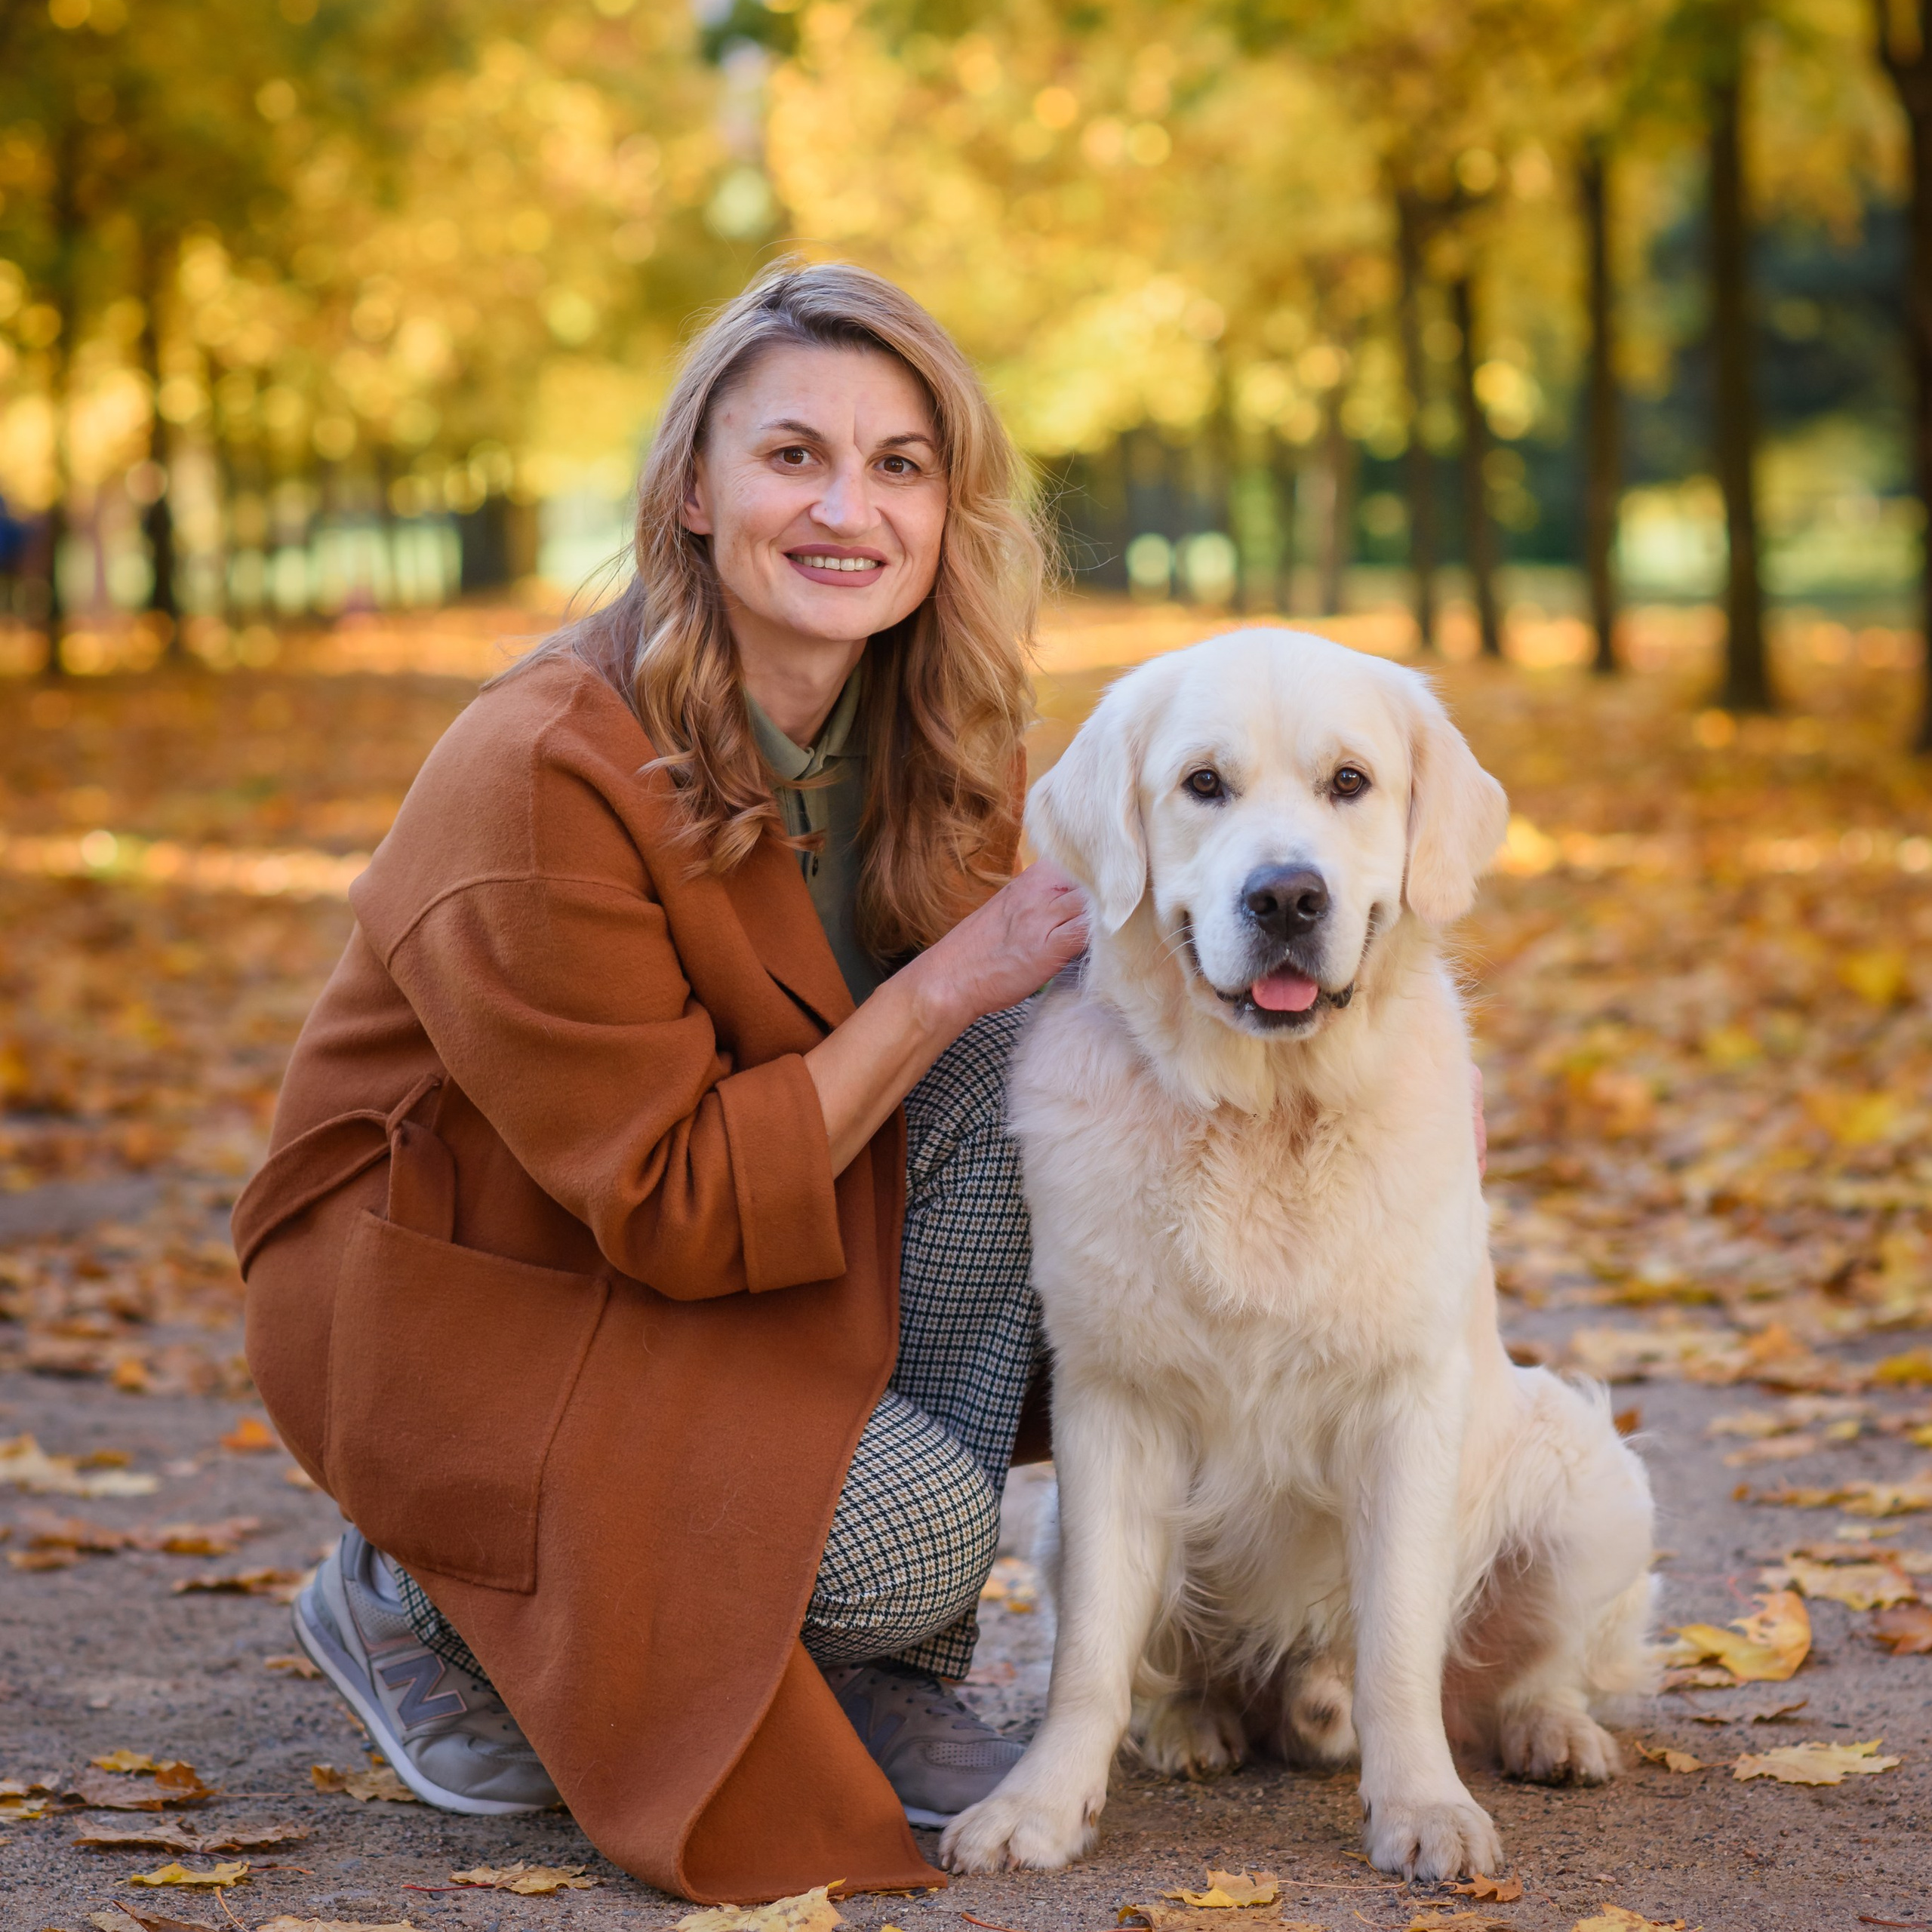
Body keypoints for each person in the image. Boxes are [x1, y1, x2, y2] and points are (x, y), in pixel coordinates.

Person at [233, 263, 1086, 1903]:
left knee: (1030, 1060)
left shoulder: (941, 730)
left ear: (948, 504)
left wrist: (1345, 1079)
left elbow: (1021, 1022)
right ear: (694, 488)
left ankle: (888, 1661)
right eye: (793, 457)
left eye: (898, 463)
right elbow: (679, 1199)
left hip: (737, 1241)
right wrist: (942, 985)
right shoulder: (545, 761)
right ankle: (419, 1587)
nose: (849, 508)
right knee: (910, 1532)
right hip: (471, 1284)